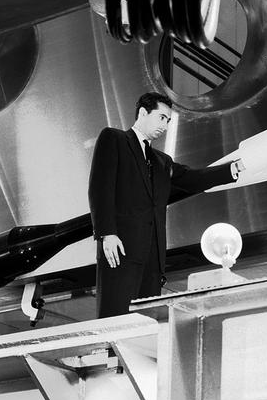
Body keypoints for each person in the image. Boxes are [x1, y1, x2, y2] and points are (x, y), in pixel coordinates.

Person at [89, 92, 243, 317]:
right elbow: (100, 188)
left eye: (168, 121)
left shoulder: (162, 161)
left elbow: (194, 179)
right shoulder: (114, 139)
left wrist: (233, 168)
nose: (166, 125)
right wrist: (107, 234)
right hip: (121, 248)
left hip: (153, 259)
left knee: (147, 321)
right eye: (162, 117)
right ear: (143, 112)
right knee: (116, 317)